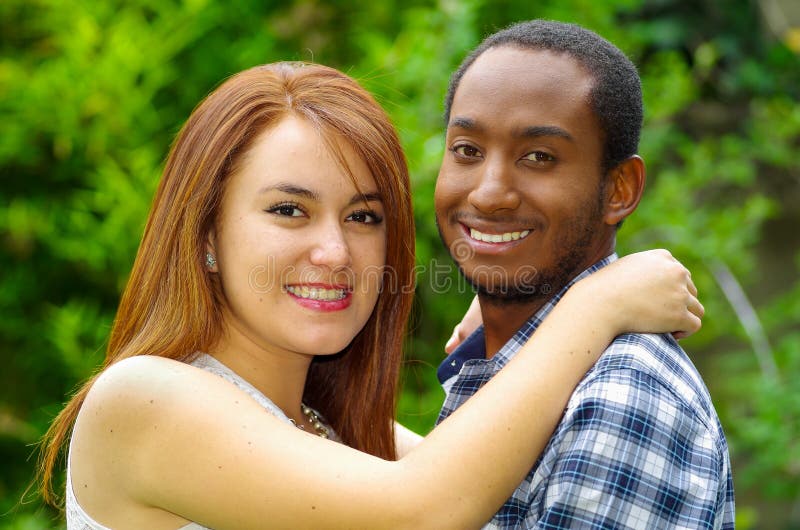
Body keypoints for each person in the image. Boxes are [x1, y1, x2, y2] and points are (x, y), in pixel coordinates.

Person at [36, 61, 702, 530]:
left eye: (363, 217)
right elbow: (425, 508)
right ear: (206, 232)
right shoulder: (147, 399)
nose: (334, 252)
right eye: (289, 211)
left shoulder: (320, 426)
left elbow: (505, 488)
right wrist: (595, 307)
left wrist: (523, 316)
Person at [435, 20, 735, 529]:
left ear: (619, 189)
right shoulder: (515, 361)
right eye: (467, 150)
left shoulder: (621, 394)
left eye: (538, 157)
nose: (488, 193)